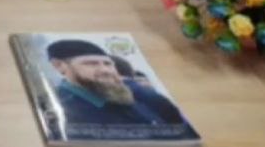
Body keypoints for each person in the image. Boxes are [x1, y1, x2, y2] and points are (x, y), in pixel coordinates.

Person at [48, 39, 190, 130]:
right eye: (91, 63)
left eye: (108, 64)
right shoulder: (64, 109)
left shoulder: (130, 94)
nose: (105, 70)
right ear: (59, 66)